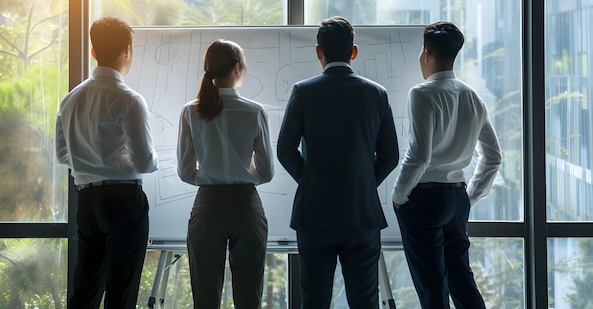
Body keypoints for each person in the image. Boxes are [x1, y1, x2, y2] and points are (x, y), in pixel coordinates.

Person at [277, 16, 400, 309]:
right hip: (362, 215)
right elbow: (390, 156)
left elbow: (285, 150)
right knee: (365, 300)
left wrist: (309, 181)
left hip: (314, 215)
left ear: (319, 51)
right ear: (353, 51)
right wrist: (364, 182)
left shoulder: (303, 91)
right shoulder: (376, 93)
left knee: (314, 301)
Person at [391, 21, 503, 309]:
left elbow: (418, 155)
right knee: (462, 282)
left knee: (432, 288)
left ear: (427, 53)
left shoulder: (421, 93)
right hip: (456, 197)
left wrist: (399, 195)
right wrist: (470, 196)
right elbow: (493, 156)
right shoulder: (472, 96)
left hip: (424, 200)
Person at [55, 16, 159, 309]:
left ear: (93, 52)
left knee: (85, 290)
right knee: (121, 292)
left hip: (86, 201)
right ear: (127, 50)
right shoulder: (129, 99)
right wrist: (149, 161)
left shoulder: (70, 99)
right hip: (124, 201)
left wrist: (91, 163)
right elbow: (144, 160)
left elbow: (62, 155)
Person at [177, 39, 274, 309]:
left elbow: (185, 172)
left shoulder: (190, 111)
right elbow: (266, 172)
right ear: (236, 68)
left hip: (208, 205)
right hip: (246, 205)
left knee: (205, 297)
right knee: (249, 296)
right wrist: (244, 174)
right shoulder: (255, 111)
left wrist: (209, 177)